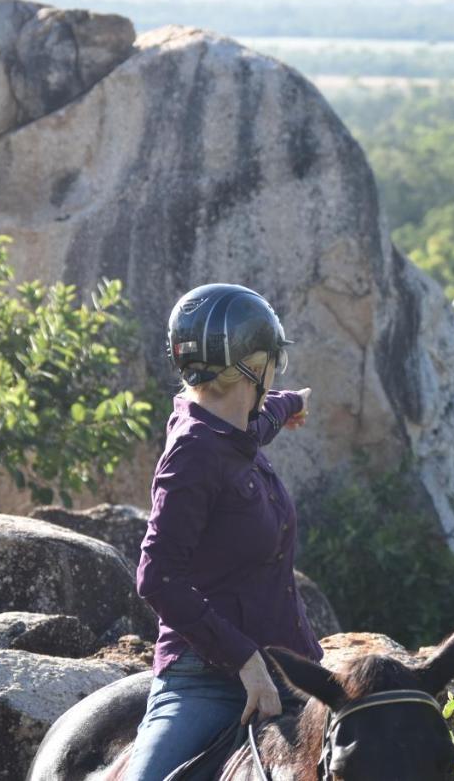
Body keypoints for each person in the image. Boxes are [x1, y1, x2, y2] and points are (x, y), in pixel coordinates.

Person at [123, 283, 323, 781]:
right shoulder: (192, 453)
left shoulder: (235, 428)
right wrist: (245, 661)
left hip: (294, 670)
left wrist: (290, 402)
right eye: (272, 362)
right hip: (206, 680)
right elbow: (156, 577)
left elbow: (264, 417)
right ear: (254, 367)